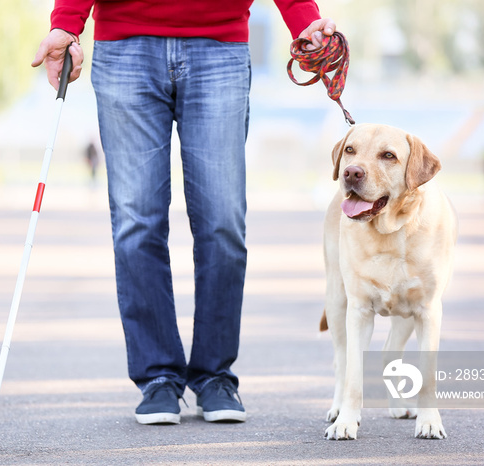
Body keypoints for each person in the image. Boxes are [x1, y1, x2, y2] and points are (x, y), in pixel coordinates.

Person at [32, 1, 336, 425]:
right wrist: (67, 23)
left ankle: (215, 376)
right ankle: (157, 377)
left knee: (222, 222)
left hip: (219, 46)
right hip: (126, 47)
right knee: (137, 223)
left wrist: (303, 19)